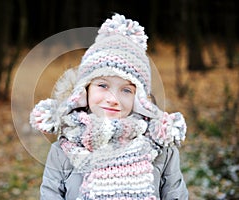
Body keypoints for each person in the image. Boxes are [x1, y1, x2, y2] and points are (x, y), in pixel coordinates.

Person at [30, 13, 188, 200]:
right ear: (84, 91)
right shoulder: (63, 150)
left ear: (140, 99)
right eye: (103, 85)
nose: (113, 99)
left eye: (126, 90)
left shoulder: (160, 148)